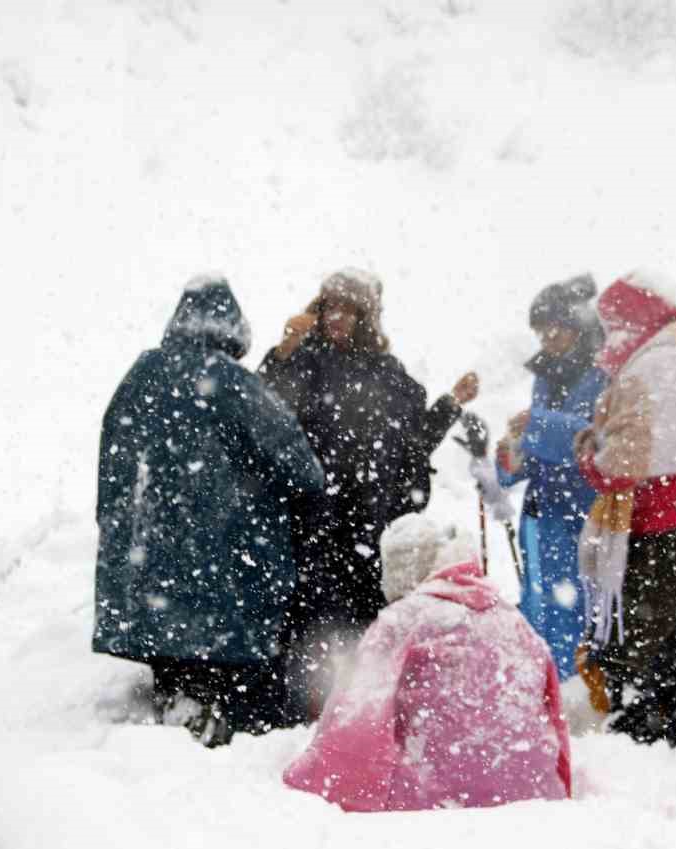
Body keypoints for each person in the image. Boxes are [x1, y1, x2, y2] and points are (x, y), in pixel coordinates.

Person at [93, 276, 326, 746]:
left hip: (151, 563)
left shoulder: (141, 375)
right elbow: (304, 471)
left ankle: (177, 707)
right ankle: (210, 720)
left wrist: (120, 528)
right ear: (233, 329)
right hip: (225, 562)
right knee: (223, 667)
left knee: (174, 653)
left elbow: (112, 463)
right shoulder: (233, 383)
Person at [258, 270, 479, 718]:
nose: (337, 318)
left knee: (364, 626)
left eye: (348, 309)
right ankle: (301, 716)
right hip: (312, 521)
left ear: (365, 316)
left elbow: (414, 442)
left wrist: (451, 404)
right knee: (310, 622)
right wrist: (283, 351)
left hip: (369, 525)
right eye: (329, 308)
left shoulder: (388, 374)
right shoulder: (303, 360)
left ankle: (361, 716)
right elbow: (262, 409)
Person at [283, 514, 572, 811]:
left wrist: (319, 770)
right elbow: (551, 707)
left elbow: (356, 713)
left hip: (431, 793)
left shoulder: (402, 620)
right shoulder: (513, 619)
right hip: (530, 784)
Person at [572, 274, 676, 759]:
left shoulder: (649, 369)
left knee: (633, 650)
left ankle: (641, 751)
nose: (608, 337)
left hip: (664, 528)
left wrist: (587, 452)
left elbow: (619, 466)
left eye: (613, 325)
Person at [495, 273, 608, 679]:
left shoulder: (603, 374)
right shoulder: (545, 377)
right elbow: (540, 448)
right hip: (543, 517)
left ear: (577, 326)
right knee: (540, 607)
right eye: (540, 331)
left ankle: (577, 691)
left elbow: (595, 439)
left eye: (553, 328)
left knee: (579, 610)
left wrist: (539, 426)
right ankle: (549, 687)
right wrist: (511, 455)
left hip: (584, 514)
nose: (546, 338)